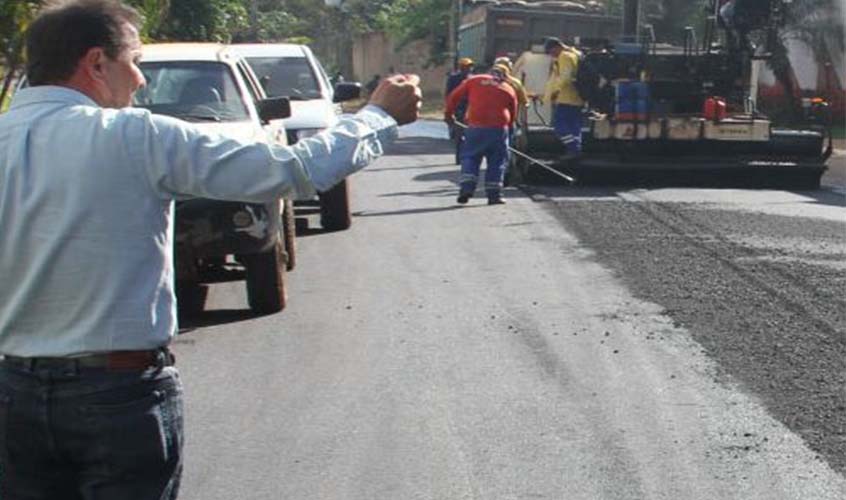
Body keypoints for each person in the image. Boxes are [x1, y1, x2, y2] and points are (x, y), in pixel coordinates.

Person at [0, 1, 421, 498]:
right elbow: (291, 171)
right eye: (134, 61)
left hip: (13, 396)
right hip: (116, 396)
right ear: (96, 63)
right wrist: (376, 117)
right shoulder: (135, 136)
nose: (140, 81)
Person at [444, 64, 517, 205]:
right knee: (497, 162)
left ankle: (466, 188)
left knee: (471, 157)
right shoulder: (508, 88)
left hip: (476, 127)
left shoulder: (474, 80)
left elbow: (454, 96)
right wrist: (509, 129)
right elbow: (513, 111)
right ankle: (494, 195)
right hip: (498, 129)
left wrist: (448, 115)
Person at [543, 36, 584, 158]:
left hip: (566, 98)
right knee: (574, 126)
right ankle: (576, 149)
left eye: (551, 51)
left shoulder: (564, 56)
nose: (551, 55)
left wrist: (555, 91)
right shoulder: (575, 54)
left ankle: (573, 148)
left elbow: (565, 77)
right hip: (577, 98)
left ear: (557, 47)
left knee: (559, 126)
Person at [444, 57, 475, 163]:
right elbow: (449, 94)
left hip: (472, 109)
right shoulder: (454, 78)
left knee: (471, 134)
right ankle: (459, 157)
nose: (468, 69)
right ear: (461, 67)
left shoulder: (473, 79)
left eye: (470, 66)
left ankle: (468, 156)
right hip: (459, 108)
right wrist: (450, 109)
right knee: (460, 133)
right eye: (466, 67)